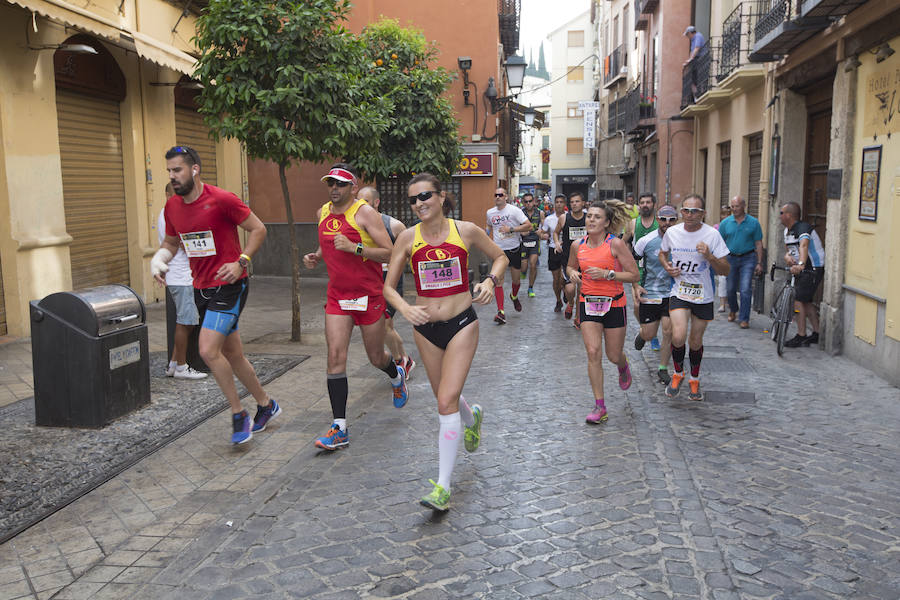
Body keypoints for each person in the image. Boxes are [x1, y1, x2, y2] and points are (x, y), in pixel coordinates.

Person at [384, 173, 508, 511]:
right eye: (413, 199)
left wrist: (489, 281)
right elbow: (388, 288)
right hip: (425, 330)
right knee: (446, 398)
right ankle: (473, 418)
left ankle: (442, 487)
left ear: (441, 197)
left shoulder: (465, 230)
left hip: (461, 323)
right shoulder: (408, 238)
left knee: (445, 402)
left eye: (425, 195)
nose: (420, 203)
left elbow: (500, 257)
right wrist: (406, 309)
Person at [152, 145, 276, 444]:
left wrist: (241, 262)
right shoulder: (172, 207)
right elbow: (171, 243)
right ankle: (266, 405)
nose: (173, 176)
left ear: (194, 169)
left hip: (231, 285)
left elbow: (258, 229)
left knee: (208, 350)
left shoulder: (221, 199)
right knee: (232, 353)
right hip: (201, 287)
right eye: (169, 170)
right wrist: (159, 259)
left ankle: (238, 414)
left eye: (177, 170)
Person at [302, 164, 408, 451]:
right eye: (330, 184)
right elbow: (327, 245)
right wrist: (316, 256)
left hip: (368, 296)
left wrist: (356, 248)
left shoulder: (365, 213)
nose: (334, 189)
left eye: (340, 184)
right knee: (335, 356)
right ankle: (340, 427)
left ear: (353, 186)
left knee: (375, 357)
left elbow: (391, 251)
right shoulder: (322, 212)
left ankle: (396, 374)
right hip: (338, 297)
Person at [566, 200, 640, 423]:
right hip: (588, 303)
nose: (591, 220)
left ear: (607, 222)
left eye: (597, 217)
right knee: (593, 352)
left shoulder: (615, 245)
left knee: (612, 355)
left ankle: (622, 364)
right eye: (589, 216)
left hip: (614, 305)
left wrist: (609, 275)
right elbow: (570, 266)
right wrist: (571, 273)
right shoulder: (577, 245)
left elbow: (634, 275)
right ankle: (600, 407)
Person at [658, 194, 730, 401]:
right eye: (686, 210)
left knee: (695, 340)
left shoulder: (712, 236)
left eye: (695, 211)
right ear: (681, 212)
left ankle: (694, 378)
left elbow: (725, 270)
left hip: (703, 295)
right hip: (679, 291)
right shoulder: (672, 232)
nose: (690, 215)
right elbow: (662, 253)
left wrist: (709, 256)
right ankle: (678, 373)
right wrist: (667, 266)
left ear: (703, 214)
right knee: (678, 336)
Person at [358, 185, 416, 379]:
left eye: (364, 202)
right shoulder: (355, 223)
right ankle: (404, 360)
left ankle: (401, 359)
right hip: (367, 281)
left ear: (376, 202)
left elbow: (410, 251)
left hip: (389, 281)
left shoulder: (394, 225)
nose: (360, 206)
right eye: (358, 201)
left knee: (385, 324)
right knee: (384, 326)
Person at [157, 188, 207, 381]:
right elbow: (185, 243)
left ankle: (173, 364)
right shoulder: (171, 215)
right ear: (169, 195)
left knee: (187, 321)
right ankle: (181, 367)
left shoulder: (167, 213)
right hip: (181, 276)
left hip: (181, 275)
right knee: (186, 322)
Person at [633, 204, 677, 385]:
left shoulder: (682, 240)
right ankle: (643, 335)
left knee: (669, 332)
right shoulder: (646, 240)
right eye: (663, 219)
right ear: (658, 220)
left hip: (673, 293)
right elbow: (630, 262)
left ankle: (663, 368)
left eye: (672, 219)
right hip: (651, 292)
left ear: (676, 221)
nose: (667, 223)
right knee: (650, 334)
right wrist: (635, 284)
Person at [780, 202, 825, 347]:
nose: (779, 216)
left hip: (813, 268)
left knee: (798, 300)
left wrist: (801, 264)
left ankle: (801, 334)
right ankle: (816, 333)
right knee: (806, 301)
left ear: (789, 215)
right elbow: (789, 250)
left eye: (781, 213)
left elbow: (804, 245)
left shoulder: (803, 228)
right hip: (800, 268)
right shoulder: (787, 231)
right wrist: (787, 257)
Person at [485, 187, 530, 323]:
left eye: (501, 194)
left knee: (516, 280)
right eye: (496, 194)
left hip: (514, 248)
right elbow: (488, 226)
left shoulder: (514, 211)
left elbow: (528, 226)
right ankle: (501, 312)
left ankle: (514, 296)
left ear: (506, 197)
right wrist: (485, 234)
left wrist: (511, 229)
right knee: (498, 281)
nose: (498, 197)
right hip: (499, 251)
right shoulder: (490, 213)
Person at [719, 195, 764, 329]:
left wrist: (759, 262)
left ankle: (744, 318)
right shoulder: (725, 223)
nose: (734, 209)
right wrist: (720, 259)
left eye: (737, 206)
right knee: (731, 288)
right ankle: (733, 309)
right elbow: (719, 242)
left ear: (744, 206)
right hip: (731, 258)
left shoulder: (753, 222)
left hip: (748, 258)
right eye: (732, 206)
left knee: (745, 289)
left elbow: (759, 243)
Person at [628, 192, 661, 350]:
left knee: (659, 305)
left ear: (654, 204)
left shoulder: (660, 223)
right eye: (642, 202)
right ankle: (648, 331)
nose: (645, 205)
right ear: (638, 205)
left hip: (657, 271)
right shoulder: (633, 223)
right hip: (638, 270)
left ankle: (651, 333)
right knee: (637, 305)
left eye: (648, 202)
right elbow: (624, 242)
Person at [553, 191, 587, 323]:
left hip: (585, 259)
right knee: (570, 289)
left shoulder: (588, 217)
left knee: (582, 291)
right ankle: (571, 303)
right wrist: (556, 242)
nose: (574, 204)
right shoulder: (564, 218)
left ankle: (578, 318)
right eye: (572, 202)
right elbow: (555, 232)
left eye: (577, 201)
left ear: (583, 203)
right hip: (568, 259)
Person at [540, 194, 568, 311]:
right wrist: (543, 235)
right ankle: (558, 300)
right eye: (557, 202)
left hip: (567, 249)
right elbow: (542, 233)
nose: (559, 204)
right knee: (556, 279)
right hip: (553, 249)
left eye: (561, 202)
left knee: (564, 277)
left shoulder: (569, 217)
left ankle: (567, 292)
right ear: (554, 204)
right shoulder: (549, 219)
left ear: (565, 204)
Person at [520, 192, 544, 298]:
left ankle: (530, 287)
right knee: (524, 267)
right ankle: (524, 272)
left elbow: (544, 226)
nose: (528, 203)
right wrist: (521, 232)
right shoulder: (520, 213)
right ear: (523, 203)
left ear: (534, 202)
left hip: (534, 242)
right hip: (523, 242)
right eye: (526, 202)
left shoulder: (540, 213)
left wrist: (541, 231)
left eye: (530, 201)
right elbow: (515, 226)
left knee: (533, 265)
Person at [683, 26, 708, 102]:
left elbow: (697, 48)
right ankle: (696, 96)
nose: (687, 37)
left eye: (687, 35)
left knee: (699, 77)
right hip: (696, 60)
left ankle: (700, 94)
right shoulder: (693, 40)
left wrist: (690, 59)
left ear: (690, 33)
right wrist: (689, 61)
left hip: (700, 59)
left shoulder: (698, 36)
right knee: (693, 79)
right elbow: (692, 51)